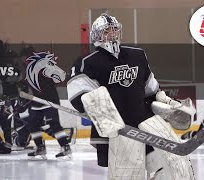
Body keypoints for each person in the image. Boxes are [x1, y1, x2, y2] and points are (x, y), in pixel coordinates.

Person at [67, 13, 194, 180]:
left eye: (114, 29)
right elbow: (79, 93)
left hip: (146, 123)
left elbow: (152, 89)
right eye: (107, 31)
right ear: (97, 35)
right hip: (119, 130)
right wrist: (99, 112)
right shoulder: (88, 62)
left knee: (172, 164)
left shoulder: (137, 55)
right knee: (127, 175)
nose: (112, 33)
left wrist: (167, 102)